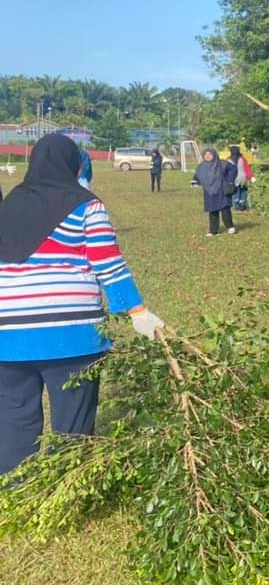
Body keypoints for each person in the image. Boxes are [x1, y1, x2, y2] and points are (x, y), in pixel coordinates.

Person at [0, 134, 164, 476]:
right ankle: (64, 482)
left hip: (7, 334)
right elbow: (108, 265)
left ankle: (15, 485)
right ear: (74, 164)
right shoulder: (86, 205)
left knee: (14, 416)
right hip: (70, 333)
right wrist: (137, 312)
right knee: (72, 419)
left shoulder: (8, 206)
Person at [192, 148, 237, 237]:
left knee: (225, 209)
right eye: (206, 155)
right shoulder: (201, 166)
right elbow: (197, 176)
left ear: (214, 155)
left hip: (221, 190)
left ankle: (230, 226)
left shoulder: (222, 163)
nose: (207, 156)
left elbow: (233, 169)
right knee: (212, 211)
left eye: (209, 154)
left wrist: (229, 180)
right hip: (209, 192)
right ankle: (213, 231)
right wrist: (195, 182)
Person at [227, 145, 253, 211]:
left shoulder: (229, 160)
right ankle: (243, 205)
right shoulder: (242, 159)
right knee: (243, 191)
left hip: (234, 179)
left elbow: (226, 170)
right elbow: (247, 168)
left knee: (235, 192)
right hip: (243, 179)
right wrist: (251, 176)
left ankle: (236, 205)